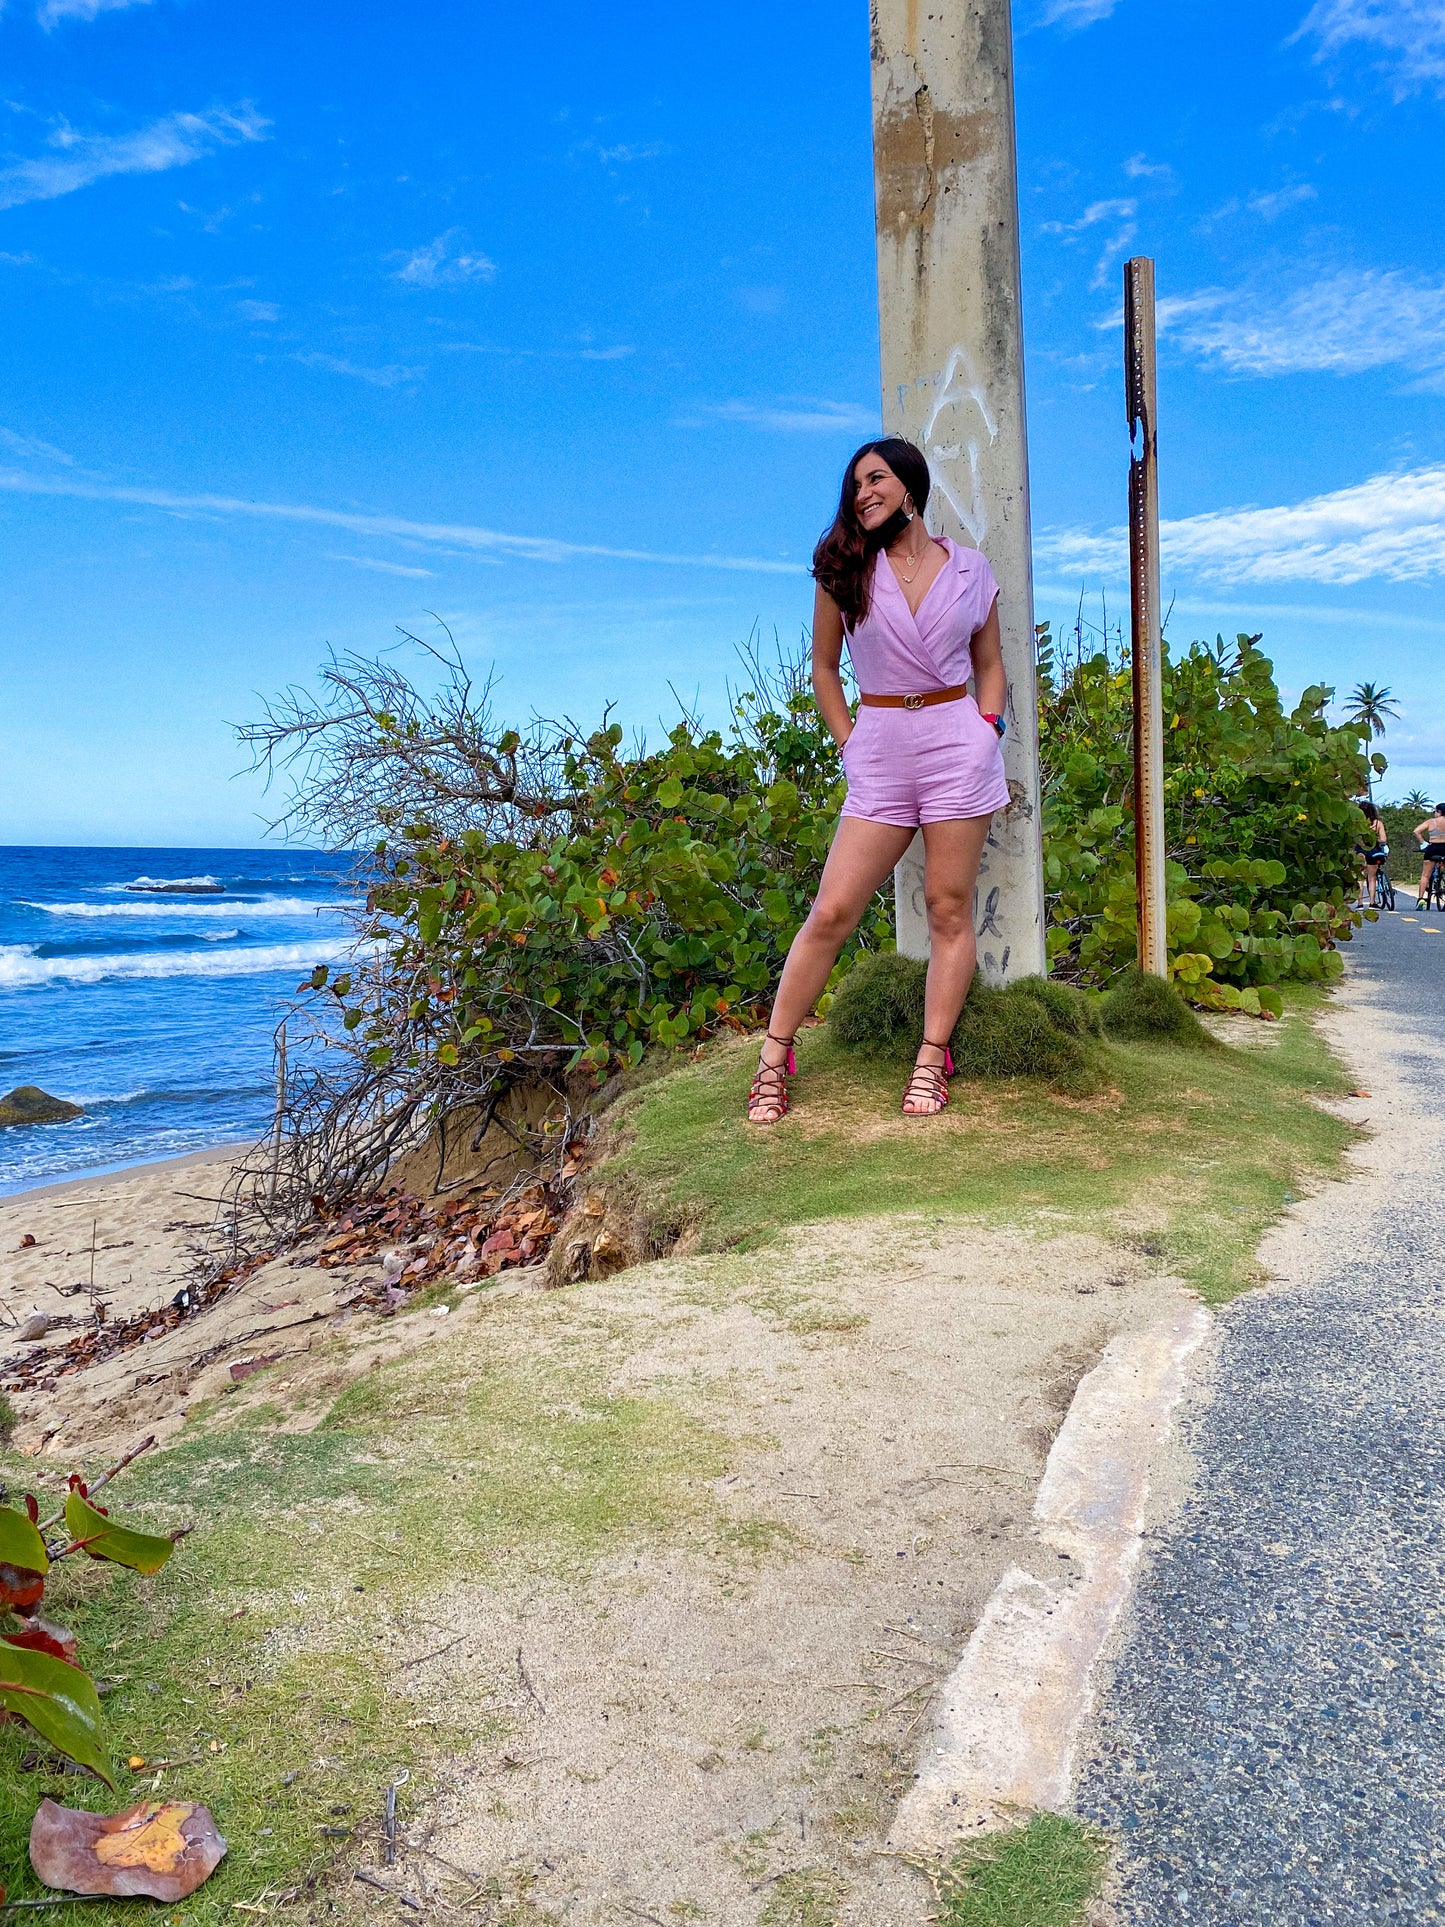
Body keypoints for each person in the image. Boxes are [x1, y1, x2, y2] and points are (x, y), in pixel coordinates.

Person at [747, 437, 1010, 1124]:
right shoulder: (844, 570)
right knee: (832, 910)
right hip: (881, 747)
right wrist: (849, 745)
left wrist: (988, 730)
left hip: (957, 745)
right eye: (854, 485)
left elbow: (989, 664)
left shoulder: (970, 570)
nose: (862, 492)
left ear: (909, 487)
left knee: (948, 908)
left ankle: (930, 1058)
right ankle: (773, 1057)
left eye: (875, 478)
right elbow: (824, 668)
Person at [1354, 801, 1388, 909]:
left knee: (1360, 878)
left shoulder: (1356, 823)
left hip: (1360, 850)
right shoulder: (1377, 823)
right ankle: (1372, 902)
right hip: (1373, 850)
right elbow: (1383, 839)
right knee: (1372, 877)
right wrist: (1374, 839)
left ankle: (1360, 903)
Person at [1415, 802, 1445, 907]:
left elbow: (1416, 831)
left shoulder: (1431, 822)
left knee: (1425, 875)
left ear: (1439, 812)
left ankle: (1420, 899)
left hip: (1433, 848)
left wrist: (1423, 842)